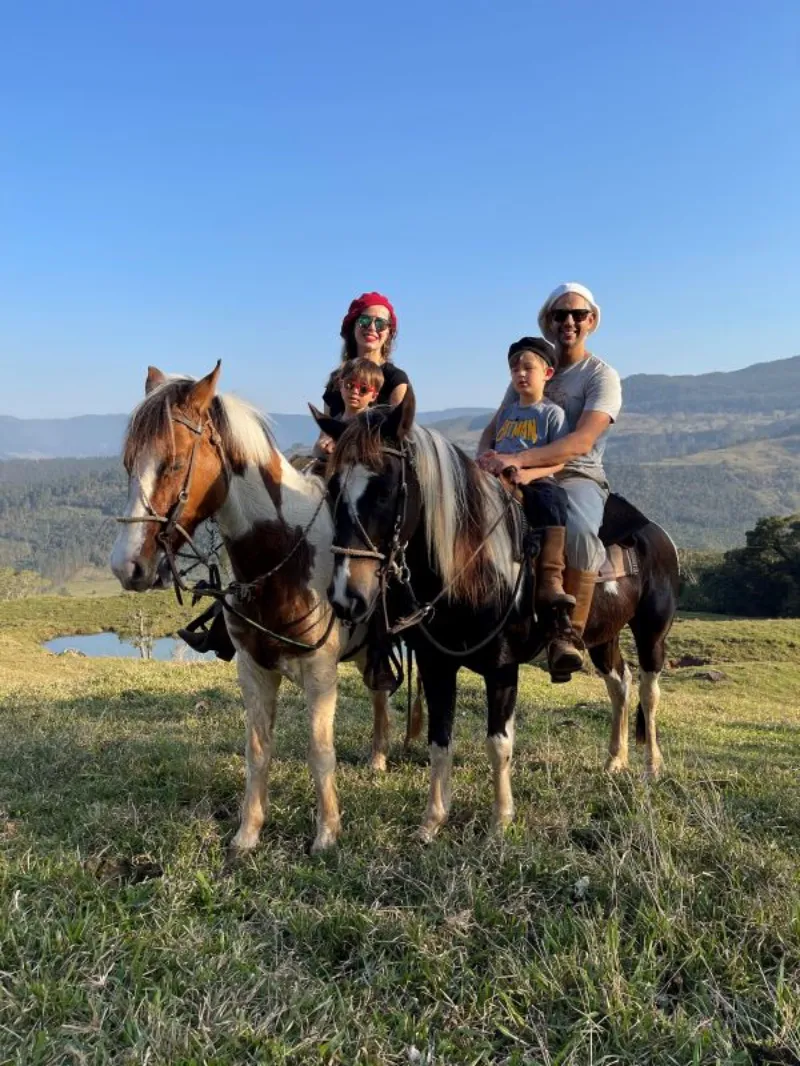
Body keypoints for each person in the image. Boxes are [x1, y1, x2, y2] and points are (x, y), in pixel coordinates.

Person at [478, 283, 622, 658]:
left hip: (576, 474)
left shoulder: (600, 377)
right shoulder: (533, 365)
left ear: (590, 321)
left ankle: (565, 634)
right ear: (549, 322)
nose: (569, 321)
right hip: (517, 469)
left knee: (578, 535)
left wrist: (519, 461)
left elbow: (581, 442)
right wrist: (484, 460)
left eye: (577, 314)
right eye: (560, 315)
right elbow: (495, 428)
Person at [479, 336, 583, 681]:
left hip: (535, 479)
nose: (520, 374)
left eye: (528, 368)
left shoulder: (551, 414)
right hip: (499, 479)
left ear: (547, 373)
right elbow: (490, 443)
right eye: (514, 369)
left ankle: (551, 577)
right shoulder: (507, 413)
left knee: (552, 501)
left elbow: (557, 460)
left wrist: (527, 473)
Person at [314, 358, 384, 456]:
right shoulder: (333, 424)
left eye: (363, 389)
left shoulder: (376, 426)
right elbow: (317, 454)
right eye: (349, 385)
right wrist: (321, 449)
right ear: (340, 385)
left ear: (373, 396)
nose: (355, 391)